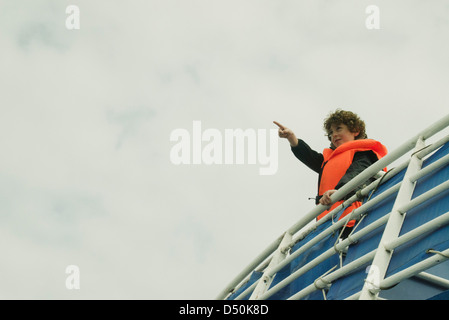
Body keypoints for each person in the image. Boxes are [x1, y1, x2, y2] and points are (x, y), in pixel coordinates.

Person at [274, 109, 387, 236]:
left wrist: (341, 190)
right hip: (329, 224)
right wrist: (292, 138)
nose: (334, 135)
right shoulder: (329, 159)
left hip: (355, 220)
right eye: (331, 132)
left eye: (339, 129)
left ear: (355, 130)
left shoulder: (365, 152)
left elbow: (359, 171)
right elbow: (311, 157)